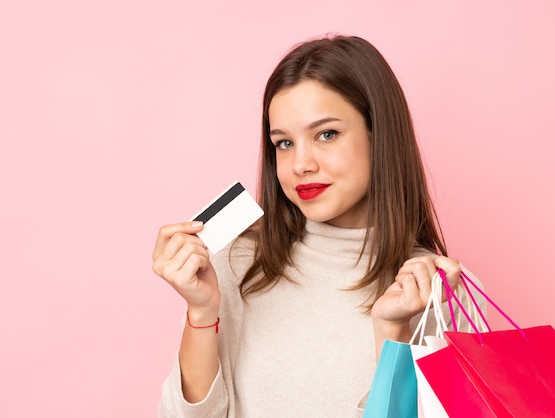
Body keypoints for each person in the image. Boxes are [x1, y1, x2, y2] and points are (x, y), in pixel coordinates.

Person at [152, 34, 485, 417]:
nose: (300, 165)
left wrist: (392, 334)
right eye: (284, 143)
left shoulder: (443, 293)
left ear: (380, 136)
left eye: (327, 134)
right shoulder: (234, 265)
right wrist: (202, 313)